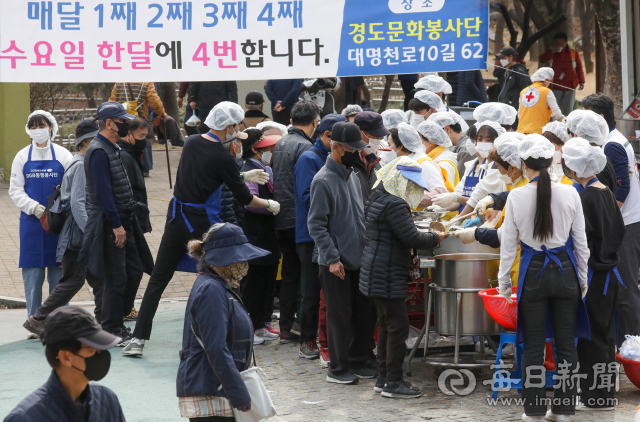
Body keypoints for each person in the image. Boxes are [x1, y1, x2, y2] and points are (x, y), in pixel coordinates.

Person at [123, 102, 278, 357]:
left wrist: (242, 175)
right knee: (227, 276)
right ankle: (230, 332)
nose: (237, 131)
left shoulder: (192, 142)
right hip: (205, 225)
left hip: (176, 220)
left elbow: (206, 174)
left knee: (159, 280)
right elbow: (246, 199)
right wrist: (270, 204)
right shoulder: (223, 157)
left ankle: (138, 340)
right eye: (237, 127)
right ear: (228, 126)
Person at [497, 134, 589, 421]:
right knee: (566, 345)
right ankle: (563, 410)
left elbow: (508, 245)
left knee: (533, 347)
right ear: (551, 162)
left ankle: (534, 412)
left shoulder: (516, 195)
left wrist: (503, 283)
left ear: (524, 164)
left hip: (533, 272)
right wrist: (583, 279)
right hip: (565, 272)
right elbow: (581, 243)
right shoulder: (571, 192)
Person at [359, 156, 443, 398]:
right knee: (398, 327)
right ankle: (394, 382)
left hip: (375, 269)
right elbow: (412, 238)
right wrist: (437, 237)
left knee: (387, 325)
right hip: (387, 271)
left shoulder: (378, 197)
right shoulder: (395, 203)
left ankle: (384, 378)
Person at [78, 102, 154, 344]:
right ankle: (111, 328)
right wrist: (116, 224)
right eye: (122, 121)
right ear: (109, 123)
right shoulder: (99, 150)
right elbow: (103, 192)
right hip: (111, 223)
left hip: (123, 219)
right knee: (115, 277)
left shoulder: (111, 148)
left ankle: (115, 321)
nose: (126, 124)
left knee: (134, 269)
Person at [177, 223, 269, 421]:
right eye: (238, 258)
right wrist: (238, 392)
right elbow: (216, 348)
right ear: (219, 260)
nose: (243, 264)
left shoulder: (216, 285)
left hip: (215, 390)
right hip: (213, 394)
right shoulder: (211, 290)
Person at [308, 121, 375, 384]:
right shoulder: (323, 180)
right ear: (336, 148)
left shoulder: (353, 177)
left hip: (357, 259)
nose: (357, 154)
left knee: (362, 313)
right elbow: (316, 225)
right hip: (335, 263)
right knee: (339, 318)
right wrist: (333, 258)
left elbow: (359, 217)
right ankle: (337, 368)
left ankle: (358, 360)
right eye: (352, 149)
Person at [567, 104, 640, 344]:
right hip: (614, 231)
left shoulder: (608, 151)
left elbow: (621, 188)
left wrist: (609, 222)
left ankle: (631, 342)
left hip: (621, 228)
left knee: (625, 289)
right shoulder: (598, 155)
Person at [23, 121, 103, 337]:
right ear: (87, 141)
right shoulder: (79, 166)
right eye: (97, 137)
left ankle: (103, 320)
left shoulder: (83, 162)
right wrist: (90, 233)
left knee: (98, 278)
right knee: (73, 280)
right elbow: (77, 204)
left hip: (78, 233)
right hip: (77, 235)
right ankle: (38, 318)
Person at [561, 138, 624, 411]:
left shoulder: (586, 197)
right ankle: (604, 394)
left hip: (596, 276)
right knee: (605, 336)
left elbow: (581, 240)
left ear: (574, 169)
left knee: (593, 337)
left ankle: (597, 398)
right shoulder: (606, 191)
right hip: (610, 273)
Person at [9, 111, 72, 332]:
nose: (38, 129)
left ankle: (59, 322)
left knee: (59, 275)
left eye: (42, 125)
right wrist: (33, 208)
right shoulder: (21, 157)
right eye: (34, 126)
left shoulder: (64, 155)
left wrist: (61, 208)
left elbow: (73, 185)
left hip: (59, 224)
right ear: (28, 130)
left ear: (51, 127)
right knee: (33, 275)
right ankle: (34, 322)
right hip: (32, 223)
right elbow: (15, 190)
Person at [5, 306, 125, 422]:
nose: (100, 354)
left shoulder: (107, 400)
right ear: (66, 357)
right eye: (92, 348)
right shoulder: (26, 418)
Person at [294, 114, 346, 360]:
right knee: (310, 290)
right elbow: (306, 197)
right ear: (327, 137)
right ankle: (307, 339)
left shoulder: (325, 158)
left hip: (326, 233)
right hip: (309, 235)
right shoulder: (308, 158)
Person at [271, 100, 320, 344]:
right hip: (299, 223)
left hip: (281, 219)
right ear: (314, 122)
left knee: (289, 275)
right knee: (305, 277)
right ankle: (301, 327)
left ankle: (285, 327)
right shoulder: (305, 147)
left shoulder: (280, 142)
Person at [239, 129, 280, 345]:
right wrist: (270, 206)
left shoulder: (264, 168)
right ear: (255, 149)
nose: (271, 153)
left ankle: (262, 323)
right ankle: (249, 327)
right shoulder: (248, 169)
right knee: (253, 284)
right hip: (254, 234)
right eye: (267, 149)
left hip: (268, 233)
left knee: (268, 282)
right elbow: (250, 202)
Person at [116, 117, 153, 322]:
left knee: (137, 267)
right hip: (127, 223)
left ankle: (124, 308)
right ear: (128, 134)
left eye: (145, 137)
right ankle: (122, 310)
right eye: (140, 136)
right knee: (136, 267)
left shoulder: (131, 154)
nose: (143, 141)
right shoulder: (124, 156)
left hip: (132, 221)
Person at [433, 122, 506, 216]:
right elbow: (460, 194)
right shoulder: (471, 166)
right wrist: (442, 209)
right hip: (467, 218)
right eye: (479, 139)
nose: (482, 143)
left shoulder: (495, 168)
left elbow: (478, 198)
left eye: (488, 140)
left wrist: (458, 218)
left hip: (483, 219)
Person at [108, 82, 166, 176]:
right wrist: (161, 113)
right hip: (140, 119)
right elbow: (154, 101)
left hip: (123, 119)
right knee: (143, 141)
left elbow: (112, 102)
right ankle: (144, 168)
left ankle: (122, 164)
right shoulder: (146, 83)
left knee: (123, 141)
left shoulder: (119, 83)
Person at [393, 122, 448, 208]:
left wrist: (406, 197)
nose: (387, 148)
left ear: (400, 146)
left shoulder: (424, 164)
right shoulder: (404, 163)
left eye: (389, 144)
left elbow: (440, 193)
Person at [540, 32, 586, 116]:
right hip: (555, 85)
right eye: (557, 43)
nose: (559, 45)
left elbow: (579, 67)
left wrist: (581, 81)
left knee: (568, 108)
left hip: (570, 85)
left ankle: (568, 125)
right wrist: (552, 51)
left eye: (561, 43)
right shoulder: (552, 53)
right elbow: (542, 59)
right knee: (554, 108)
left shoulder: (574, 53)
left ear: (566, 42)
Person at [353, 111, 388, 203]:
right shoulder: (348, 163)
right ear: (359, 133)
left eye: (379, 137)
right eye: (374, 136)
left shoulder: (375, 162)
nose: (377, 141)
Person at [517, 68, 563, 134]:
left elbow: (519, 114)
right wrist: (561, 125)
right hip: (538, 133)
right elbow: (558, 114)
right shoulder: (547, 92)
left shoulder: (523, 91)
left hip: (521, 132)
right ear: (547, 79)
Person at [495, 46, 531, 111]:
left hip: (515, 109)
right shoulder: (507, 71)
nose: (501, 60)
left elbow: (525, 90)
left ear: (510, 57)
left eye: (503, 57)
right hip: (506, 108)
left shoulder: (519, 71)